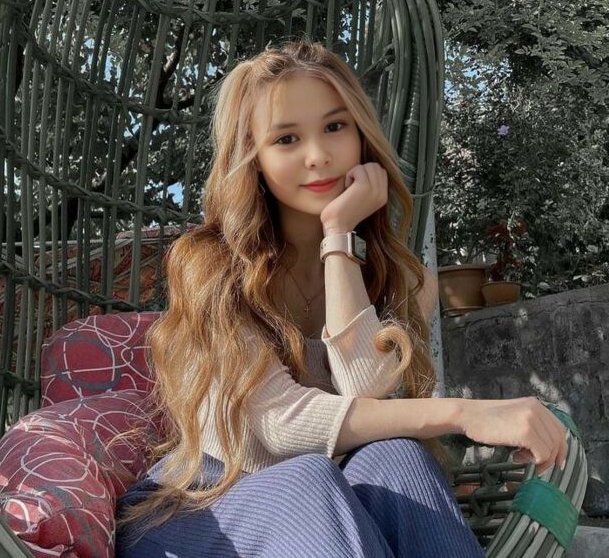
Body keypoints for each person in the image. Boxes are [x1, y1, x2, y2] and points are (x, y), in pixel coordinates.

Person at [114, 39, 568, 558]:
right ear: (254, 159)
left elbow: (365, 389)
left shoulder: (406, 280)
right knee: (307, 478)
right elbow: (282, 426)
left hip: (326, 510)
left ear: (361, 135)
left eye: (335, 127)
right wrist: (463, 412)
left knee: (398, 455)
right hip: (198, 505)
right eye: (286, 138)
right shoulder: (210, 265)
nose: (318, 155)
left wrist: (339, 237)